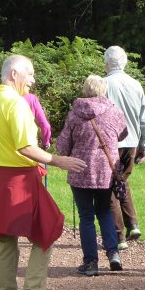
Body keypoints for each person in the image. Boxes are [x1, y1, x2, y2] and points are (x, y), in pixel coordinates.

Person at [0, 55, 86, 290]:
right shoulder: (16, 103)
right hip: (19, 179)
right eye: (31, 74)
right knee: (50, 228)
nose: (33, 81)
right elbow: (26, 147)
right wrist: (57, 160)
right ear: (14, 74)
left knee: (6, 241)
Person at [56, 75, 127, 276]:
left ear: (85, 89)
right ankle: (113, 253)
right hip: (107, 169)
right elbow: (122, 134)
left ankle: (91, 262)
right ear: (103, 90)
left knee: (86, 216)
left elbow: (62, 146)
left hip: (80, 169)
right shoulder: (114, 112)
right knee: (105, 211)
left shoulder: (74, 114)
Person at [104, 46, 145, 249]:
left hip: (111, 143)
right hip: (131, 142)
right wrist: (144, 145)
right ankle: (133, 225)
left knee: (110, 189)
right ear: (125, 62)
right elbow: (143, 119)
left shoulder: (103, 84)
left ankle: (119, 237)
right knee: (121, 181)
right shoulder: (136, 84)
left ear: (106, 63)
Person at [24, 85, 51, 149]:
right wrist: (46, 143)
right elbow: (45, 125)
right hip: (29, 142)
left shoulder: (5, 98)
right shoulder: (31, 98)